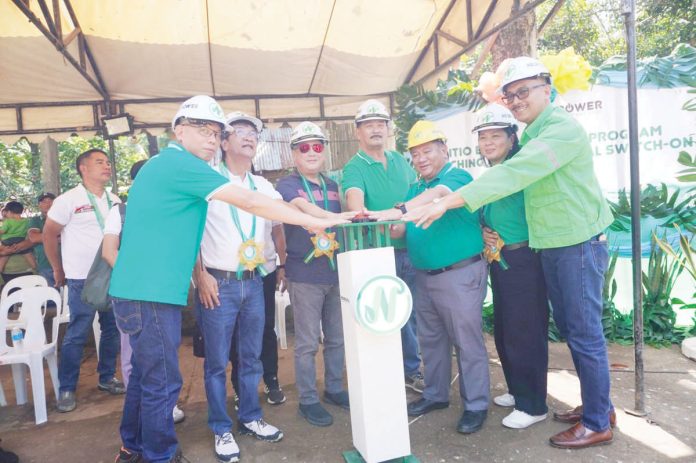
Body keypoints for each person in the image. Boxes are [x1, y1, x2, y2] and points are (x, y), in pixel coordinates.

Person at [108, 96, 346, 463]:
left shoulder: (173, 165)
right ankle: (160, 455)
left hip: (148, 289)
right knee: (164, 383)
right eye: (203, 129)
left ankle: (132, 446)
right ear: (179, 130)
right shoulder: (182, 165)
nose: (210, 138)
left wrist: (325, 217)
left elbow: (270, 200)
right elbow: (250, 203)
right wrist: (314, 223)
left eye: (216, 132)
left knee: (145, 376)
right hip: (150, 291)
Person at [403, 57, 615, 449]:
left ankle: (598, 421)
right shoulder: (536, 132)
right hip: (551, 245)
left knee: (583, 335)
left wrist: (447, 202)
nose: (516, 100)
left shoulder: (560, 131)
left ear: (546, 89)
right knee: (570, 330)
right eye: (510, 94)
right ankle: (597, 406)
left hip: (577, 243)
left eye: (524, 92)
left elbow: (513, 175)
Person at [373, 120, 489, 434]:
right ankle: (436, 395)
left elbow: (441, 194)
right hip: (423, 275)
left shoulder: (457, 176)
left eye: (427, 151)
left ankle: (476, 405)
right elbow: (404, 226)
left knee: (467, 342)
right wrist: (381, 223)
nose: (420, 158)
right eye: (415, 153)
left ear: (444, 150)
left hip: (459, 274)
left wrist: (397, 210)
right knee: (431, 340)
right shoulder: (414, 188)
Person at [193, 111, 285, 462]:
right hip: (219, 284)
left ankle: (250, 417)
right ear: (224, 141)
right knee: (216, 361)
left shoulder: (263, 187)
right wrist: (200, 276)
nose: (249, 137)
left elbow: (283, 217)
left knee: (251, 357)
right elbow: (191, 236)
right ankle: (220, 427)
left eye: (254, 133)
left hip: (254, 281)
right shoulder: (205, 181)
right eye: (240, 131)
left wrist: (319, 221)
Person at [472, 103, 549, 429]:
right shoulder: (495, 170)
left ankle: (534, 406)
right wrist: (483, 229)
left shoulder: (519, 166)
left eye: (495, 136)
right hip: (500, 260)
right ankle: (519, 392)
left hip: (523, 259)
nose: (488, 143)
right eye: (483, 137)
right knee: (505, 331)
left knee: (525, 332)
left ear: (512, 137)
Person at [341, 99, 424, 393]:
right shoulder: (353, 168)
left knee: (411, 312)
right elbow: (356, 208)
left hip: (413, 249)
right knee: (384, 314)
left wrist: (406, 219)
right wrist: (393, 222)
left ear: (388, 129)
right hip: (378, 253)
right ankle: (389, 374)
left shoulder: (401, 160)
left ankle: (411, 370)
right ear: (358, 132)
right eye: (369, 125)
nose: (376, 129)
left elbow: (418, 196)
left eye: (381, 124)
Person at [276, 122, 351, 427]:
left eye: (316, 146)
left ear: (325, 151)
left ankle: (334, 388)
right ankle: (307, 400)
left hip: (337, 272)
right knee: (307, 342)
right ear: (294, 154)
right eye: (303, 147)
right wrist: (339, 218)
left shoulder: (336, 186)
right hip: (305, 274)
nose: (310, 152)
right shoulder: (287, 184)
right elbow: (303, 208)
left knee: (337, 338)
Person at [102, 160, 186, 425]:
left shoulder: (170, 210)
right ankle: (141, 409)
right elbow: (109, 252)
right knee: (133, 356)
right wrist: (138, 280)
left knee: (166, 353)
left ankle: (163, 406)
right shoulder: (121, 211)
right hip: (134, 296)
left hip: (164, 294)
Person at [43, 148, 125, 413]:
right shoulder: (69, 199)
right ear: (83, 168)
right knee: (77, 332)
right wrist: (58, 268)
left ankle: (106, 377)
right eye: (99, 162)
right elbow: (48, 235)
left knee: (112, 329)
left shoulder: (114, 200)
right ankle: (67, 387)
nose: (106, 166)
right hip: (80, 277)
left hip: (111, 274)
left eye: (107, 162)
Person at [230, 216, 287, 407]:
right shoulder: (225, 191)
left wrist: (282, 265)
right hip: (236, 272)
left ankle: (271, 379)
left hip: (265, 270)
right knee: (238, 331)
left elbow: (277, 232)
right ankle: (240, 386)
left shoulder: (268, 192)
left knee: (266, 327)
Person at [27, 193, 58, 286]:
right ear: (39, 205)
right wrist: (58, 237)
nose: (48, 204)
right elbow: (34, 238)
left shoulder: (63, 218)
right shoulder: (35, 220)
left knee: (68, 296)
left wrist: (44, 237)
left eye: (51, 201)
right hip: (45, 265)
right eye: (44, 201)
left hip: (66, 264)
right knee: (49, 296)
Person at [0, 201, 36, 273]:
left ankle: (0, 269)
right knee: (28, 254)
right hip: (21, 241)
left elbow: (2, 231)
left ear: (10, 212)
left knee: (4, 257)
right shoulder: (26, 221)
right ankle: (35, 268)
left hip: (7, 241)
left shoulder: (8, 221)